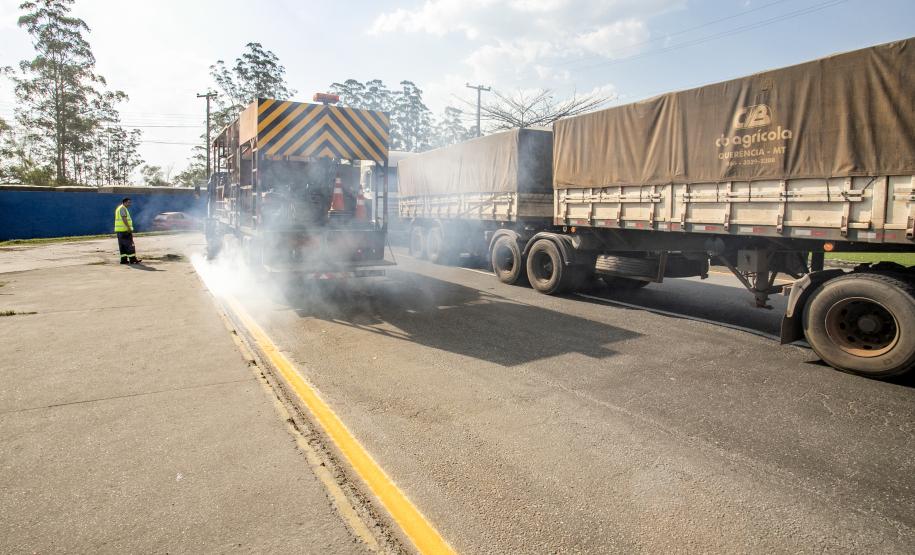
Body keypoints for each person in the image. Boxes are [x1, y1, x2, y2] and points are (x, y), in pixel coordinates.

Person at [114, 198, 141, 264]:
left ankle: (123, 260)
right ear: (124, 202)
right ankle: (133, 259)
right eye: (128, 203)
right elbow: (124, 218)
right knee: (130, 245)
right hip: (125, 231)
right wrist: (128, 228)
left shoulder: (119, 208)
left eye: (130, 202)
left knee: (122, 246)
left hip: (119, 231)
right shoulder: (123, 208)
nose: (130, 204)